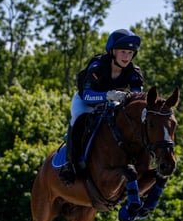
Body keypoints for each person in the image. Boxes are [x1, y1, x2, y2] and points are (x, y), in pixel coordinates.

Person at [59, 28, 144, 184]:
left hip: (112, 103)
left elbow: (136, 97)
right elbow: (86, 94)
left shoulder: (134, 73)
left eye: (130, 53)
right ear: (112, 51)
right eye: (123, 52)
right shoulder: (97, 67)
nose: (127, 57)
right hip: (85, 101)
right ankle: (69, 164)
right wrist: (107, 95)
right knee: (79, 120)